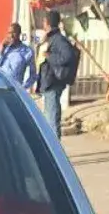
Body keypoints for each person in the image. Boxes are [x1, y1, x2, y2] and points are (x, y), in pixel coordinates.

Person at [34, 9, 81, 141]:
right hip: (48, 83)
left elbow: (68, 56)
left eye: (44, 21)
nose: (43, 23)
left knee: (52, 119)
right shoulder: (51, 38)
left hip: (53, 82)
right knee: (49, 117)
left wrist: (49, 56)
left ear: (47, 23)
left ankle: (56, 151)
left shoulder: (58, 39)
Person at [0, 22, 35, 90]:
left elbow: (33, 75)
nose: (11, 36)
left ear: (19, 34)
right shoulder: (3, 48)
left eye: (14, 33)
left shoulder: (27, 51)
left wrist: (23, 87)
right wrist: (2, 49)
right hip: (0, 87)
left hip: (14, 89)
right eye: (9, 33)